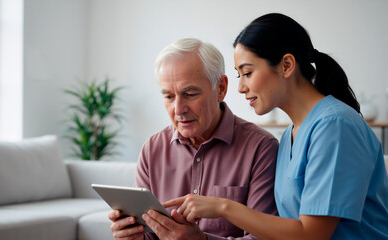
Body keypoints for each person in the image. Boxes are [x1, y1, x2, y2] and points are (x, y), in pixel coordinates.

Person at [164, 13, 388, 240]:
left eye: (248, 73)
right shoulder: (288, 138)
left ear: (287, 65)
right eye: (238, 75)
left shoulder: (335, 126)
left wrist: (224, 207)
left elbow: (312, 235)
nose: (240, 87)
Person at [108, 38, 279, 240]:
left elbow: (266, 238)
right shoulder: (152, 149)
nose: (178, 110)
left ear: (221, 88)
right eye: (169, 97)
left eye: (189, 94)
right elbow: (150, 234)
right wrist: (131, 235)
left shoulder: (261, 148)